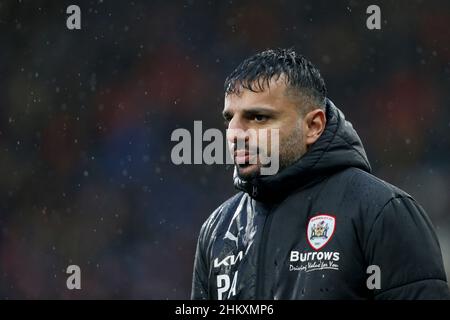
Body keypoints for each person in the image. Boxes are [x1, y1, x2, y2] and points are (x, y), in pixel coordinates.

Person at [191, 48, 450, 299]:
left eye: (258, 117)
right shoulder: (217, 229)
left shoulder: (381, 211)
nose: (235, 134)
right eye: (229, 119)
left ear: (313, 126)